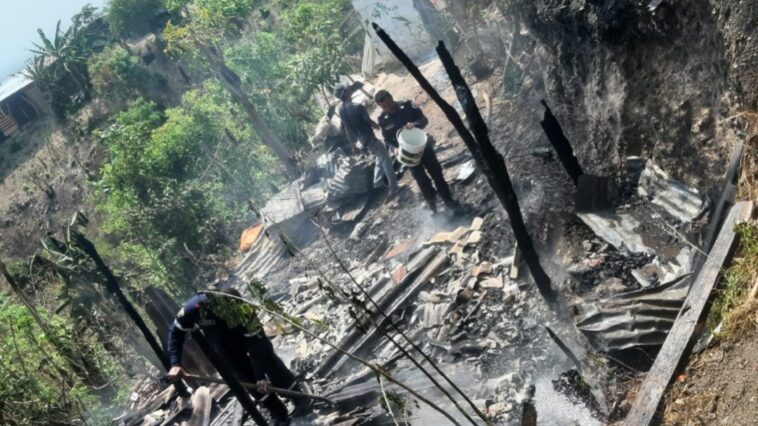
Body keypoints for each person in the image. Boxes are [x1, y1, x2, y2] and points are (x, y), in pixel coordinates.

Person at [167, 287, 305, 425]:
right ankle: (277, 412)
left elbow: (256, 347)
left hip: (251, 339)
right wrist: (175, 363)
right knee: (248, 380)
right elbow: (175, 333)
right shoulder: (195, 308)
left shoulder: (243, 309)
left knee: (271, 364)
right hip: (226, 348)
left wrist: (260, 377)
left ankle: (299, 398)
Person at [375, 89, 460, 214]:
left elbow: (424, 120)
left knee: (437, 174)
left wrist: (415, 124)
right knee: (422, 181)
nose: (388, 108)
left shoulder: (408, 105)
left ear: (392, 98)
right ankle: (433, 207)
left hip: (423, 147)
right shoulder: (383, 119)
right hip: (408, 154)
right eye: (384, 107)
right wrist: (395, 149)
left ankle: (448, 200)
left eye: (389, 104)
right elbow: (388, 140)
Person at [334, 83, 398, 194]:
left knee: (379, 156)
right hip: (369, 137)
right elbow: (368, 121)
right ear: (347, 92)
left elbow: (348, 129)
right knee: (386, 159)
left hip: (362, 141)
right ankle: (393, 188)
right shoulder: (358, 106)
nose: (350, 89)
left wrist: (353, 145)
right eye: (348, 89)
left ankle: (377, 181)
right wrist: (381, 127)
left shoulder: (341, 110)